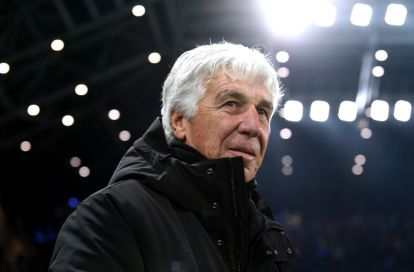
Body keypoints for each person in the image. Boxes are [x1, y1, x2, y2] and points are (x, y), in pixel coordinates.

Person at [49, 42, 297, 272]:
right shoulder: (110, 218)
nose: (254, 126)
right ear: (179, 121)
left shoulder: (266, 236)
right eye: (231, 103)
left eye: (263, 111)